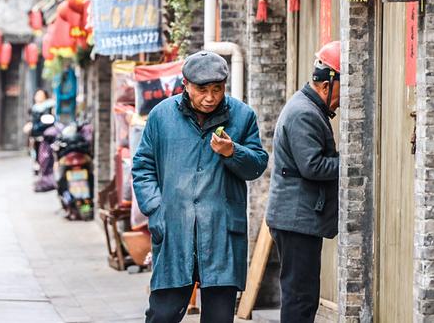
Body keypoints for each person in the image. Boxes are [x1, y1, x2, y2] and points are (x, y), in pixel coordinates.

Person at [132, 51, 269, 323]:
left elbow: (257, 165)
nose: (210, 98)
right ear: (185, 84)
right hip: (175, 230)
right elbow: (143, 167)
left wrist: (233, 152)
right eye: (202, 90)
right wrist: (156, 209)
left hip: (221, 232)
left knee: (219, 317)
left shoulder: (242, 116)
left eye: (217, 90)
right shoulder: (161, 116)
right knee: (163, 314)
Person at [266, 41, 341, 323]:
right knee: (300, 298)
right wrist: (352, 163)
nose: (341, 99)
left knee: (302, 295)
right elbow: (313, 166)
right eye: (342, 90)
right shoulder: (304, 113)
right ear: (327, 84)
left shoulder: (307, 107)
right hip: (296, 220)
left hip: (298, 219)